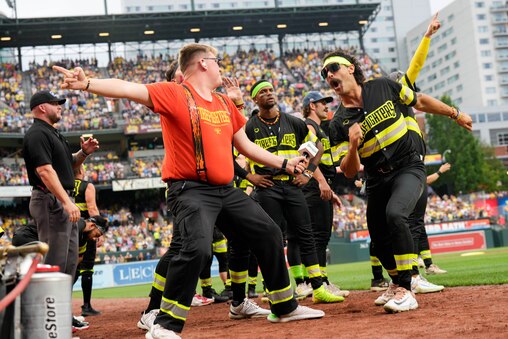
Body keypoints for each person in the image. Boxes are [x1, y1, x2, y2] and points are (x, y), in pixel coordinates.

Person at [54, 43, 325, 339]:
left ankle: (284, 306)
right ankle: (165, 324)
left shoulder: (223, 103)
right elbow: (128, 88)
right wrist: (87, 83)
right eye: (217, 60)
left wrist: (286, 163)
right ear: (204, 64)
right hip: (190, 190)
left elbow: (246, 147)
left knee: (269, 232)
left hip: (226, 190)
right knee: (195, 248)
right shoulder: (175, 92)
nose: (221, 66)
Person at [324, 48, 472, 313]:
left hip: (408, 166)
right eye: (324, 73)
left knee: (396, 215)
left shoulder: (382, 86)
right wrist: (353, 144)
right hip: (376, 178)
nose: (328, 74)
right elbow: (348, 172)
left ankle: (406, 287)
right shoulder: (337, 124)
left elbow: (419, 101)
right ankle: (396, 282)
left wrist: (455, 113)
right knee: (379, 241)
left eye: (333, 67)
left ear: (350, 69)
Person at [244, 79, 343, 304]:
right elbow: (234, 155)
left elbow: (317, 146)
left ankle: (317, 288)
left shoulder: (293, 122)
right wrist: (250, 177)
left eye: (271, 89)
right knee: (272, 239)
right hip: (267, 188)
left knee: (306, 235)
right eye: (263, 91)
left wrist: (307, 174)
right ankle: (273, 289)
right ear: (255, 99)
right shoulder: (250, 127)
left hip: (292, 185)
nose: (269, 93)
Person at [22, 90, 99, 330]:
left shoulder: (54, 133)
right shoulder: (36, 133)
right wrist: (66, 202)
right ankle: (47, 320)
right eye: (56, 103)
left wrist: (83, 153)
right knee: (54, 263)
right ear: (42, 107)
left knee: (68, 265)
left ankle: (61, 314)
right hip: (51, 201)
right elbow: (44, 171)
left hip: (62, 201)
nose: (61, 107)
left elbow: (68, 165)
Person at [301, 91, 349, 298]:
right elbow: (307, 157)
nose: (326, 106)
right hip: (314, 186)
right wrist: (320, 181)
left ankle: (322, 281)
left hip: (322, 186)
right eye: (323, 103)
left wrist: (329, 189)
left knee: (322, 237)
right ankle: (318, 284)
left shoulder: (319, 128)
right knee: (318, 237)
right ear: (312, 106)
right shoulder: (310, 127)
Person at [73, 164, 102, 316]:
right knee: (87, 268)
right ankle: (86, 306)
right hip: (86, 230)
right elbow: (92, 209)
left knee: (72, 268)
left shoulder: (64, 185)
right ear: (81, 171)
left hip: (69, 232)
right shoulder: (87, 186)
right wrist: (99, 232)